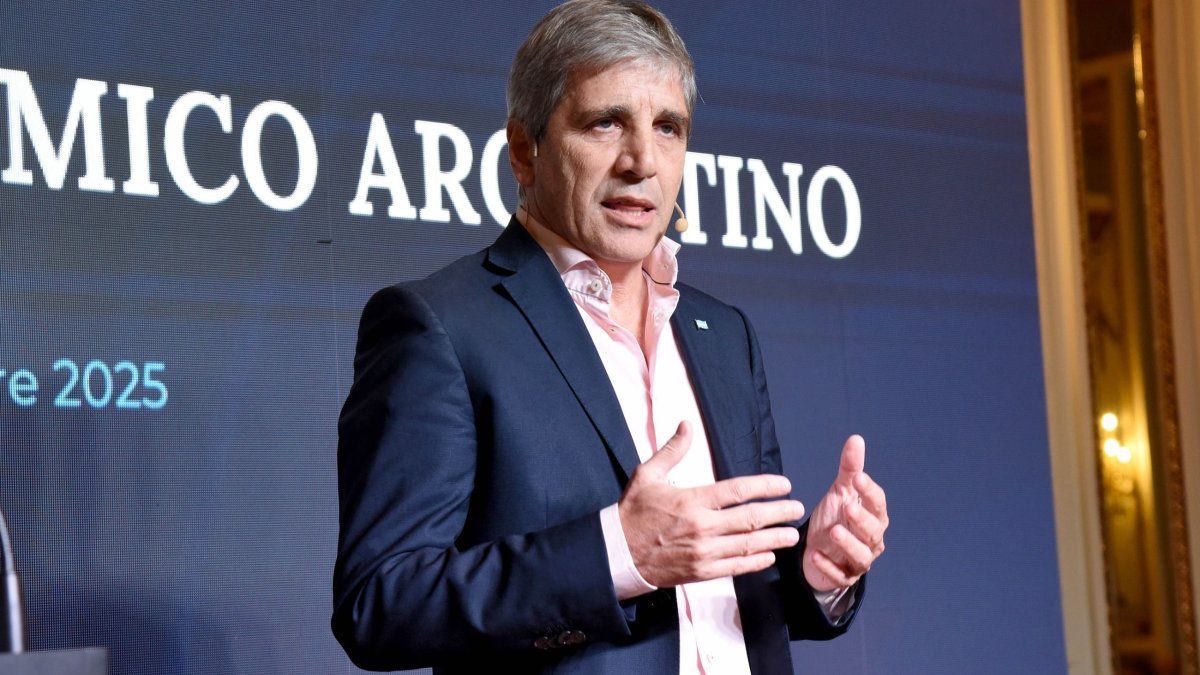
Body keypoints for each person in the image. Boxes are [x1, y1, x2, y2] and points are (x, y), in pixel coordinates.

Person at [332, 1, 889, 673]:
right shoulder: (440, 325)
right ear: (524, 150)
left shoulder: (723, 333)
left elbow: (736, 599)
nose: (642, 161)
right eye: (606, 122)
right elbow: (380, 603)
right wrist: (617, 554)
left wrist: (816, 572)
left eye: (668, 127)